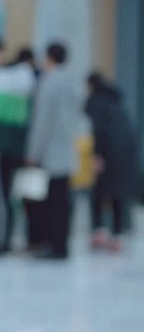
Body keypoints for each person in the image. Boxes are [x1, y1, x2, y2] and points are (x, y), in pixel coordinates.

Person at [25, 43, 79, 259]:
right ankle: (62, 244)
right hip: (68, 149)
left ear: (49, 58)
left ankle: (53, 245)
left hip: (50, 151)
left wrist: (33, 152)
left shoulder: (49, 83)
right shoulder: (73, 82)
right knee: (63, 201)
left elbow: (43, 121)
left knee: (51, 203)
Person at [0, 47, 36, 255]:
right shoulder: (27, 83)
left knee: (1, 196)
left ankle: (1, 240)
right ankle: (12, 238)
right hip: (19, 148)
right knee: (14, 196)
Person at [85, 72, 138, 252]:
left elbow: (98, 130)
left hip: (107, 152)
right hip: (126, 153)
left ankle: (99, 231)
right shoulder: (117, 102)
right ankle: (117, 235)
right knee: (118, 194)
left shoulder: (96, 102)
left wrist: (97, 154)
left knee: (98, 192)